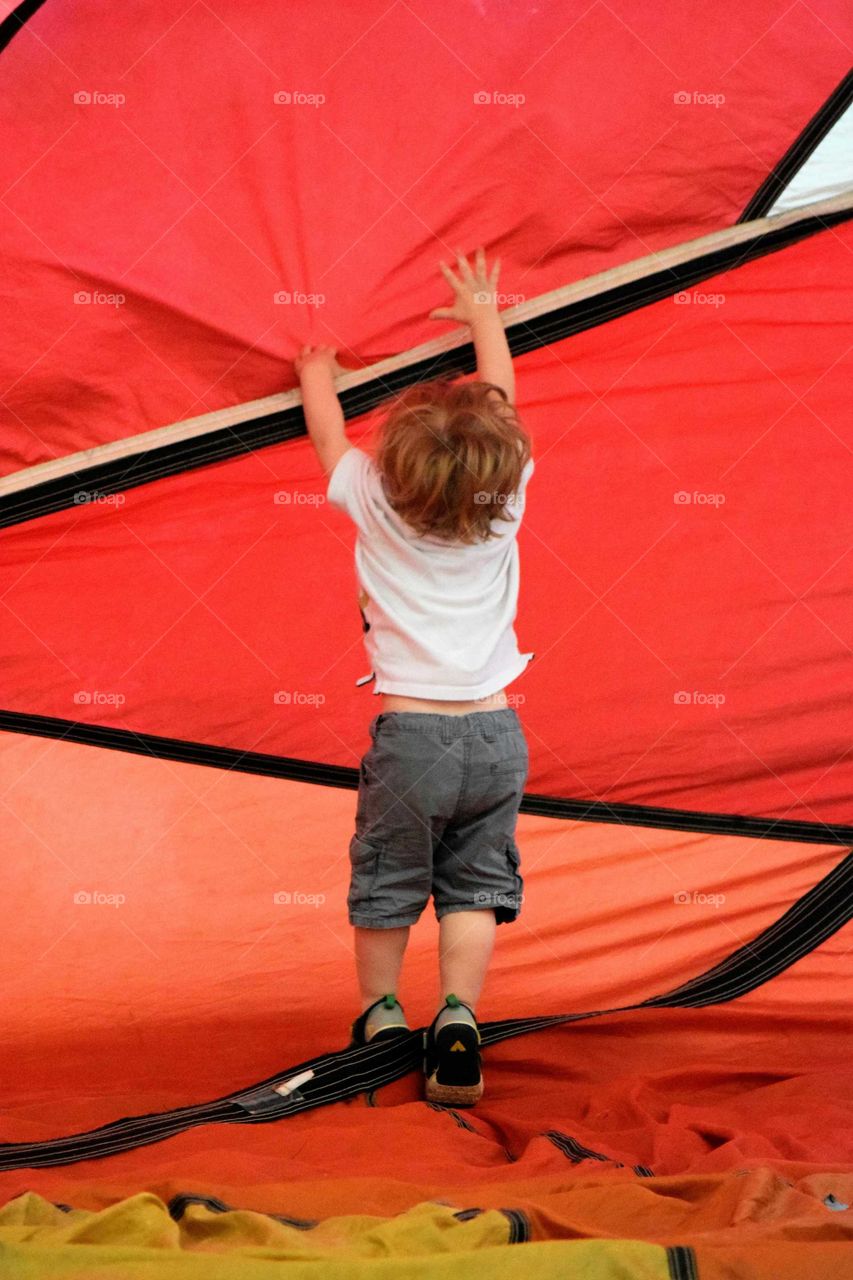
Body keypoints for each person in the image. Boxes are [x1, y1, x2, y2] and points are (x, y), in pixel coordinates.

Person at [294, 248, 533, 1106]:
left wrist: (316, 368)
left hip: (412, 740)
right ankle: (460, 1016)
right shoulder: (506, 502)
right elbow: (499, 404)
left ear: (393, 466)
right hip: (498, 736)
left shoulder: (370, 494)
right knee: (474, 883)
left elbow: (328, 435)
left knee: (389, 878)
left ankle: (382, 1016)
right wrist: (482, 315)